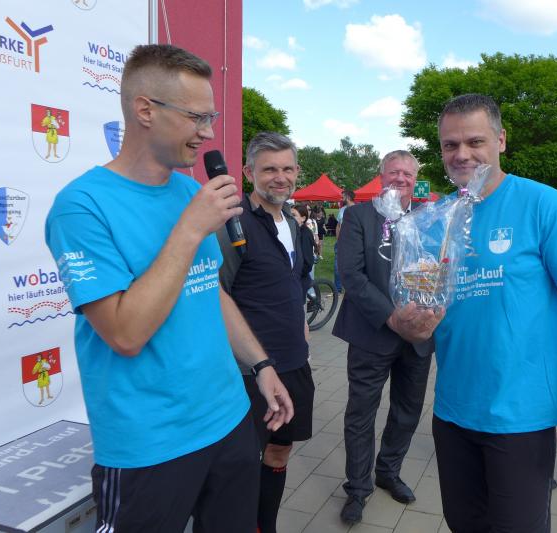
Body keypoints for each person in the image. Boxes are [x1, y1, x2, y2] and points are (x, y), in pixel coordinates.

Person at [45, 44, 293, 532]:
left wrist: (261, 365)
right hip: (150, 444)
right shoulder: (81, 206)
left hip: (229, 420)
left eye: (210, 117)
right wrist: (189, 229)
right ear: (145, 110)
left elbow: (210, 292)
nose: (208, 132)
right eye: (196, 117)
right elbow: (124, 334)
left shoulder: (189, 192)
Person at [430, 93, 557, 532]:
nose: (462, 154)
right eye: (451, 145)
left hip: (521, 416)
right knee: (463, 524)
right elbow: (428, 312)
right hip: (452, 410)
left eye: (475, 141)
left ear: (501, 141)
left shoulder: (543, 204)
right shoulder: (439, 218)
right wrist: (408, 322)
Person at [334, 150, 441, 525]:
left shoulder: (429, 218)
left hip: (418, 338)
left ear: (416, 179)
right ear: (381, 176)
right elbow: (351, 274)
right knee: (361, 414)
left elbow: (438, 268)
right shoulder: (359, 216)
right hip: (372, 332)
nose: (401, 179)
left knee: (407, 411)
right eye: (394, 172)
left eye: (408, 174)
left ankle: (388, 471)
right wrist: (392, 318)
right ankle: (357, 488)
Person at [218, 132, 314, 533]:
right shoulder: (232, 222)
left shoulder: (293, 222)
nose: (280, 177)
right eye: (269, 169)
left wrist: (302, 325)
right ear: (248, 172)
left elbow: (297, 281)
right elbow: (217, 295)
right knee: (241, 463)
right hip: (249, 372)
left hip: (294, 363)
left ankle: (265, 526)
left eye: (287, 168)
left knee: (279, 453)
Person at [334, 189, 356, 292]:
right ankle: (337, 289)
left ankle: (351, 288)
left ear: (348, 197)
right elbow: (338, 225)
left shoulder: (357, 209)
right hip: (341, 243)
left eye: (343, 196)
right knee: (337, 266)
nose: (341, 198)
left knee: (352, 266)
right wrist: (338, 239)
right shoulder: (342, 209)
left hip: (353, 243)